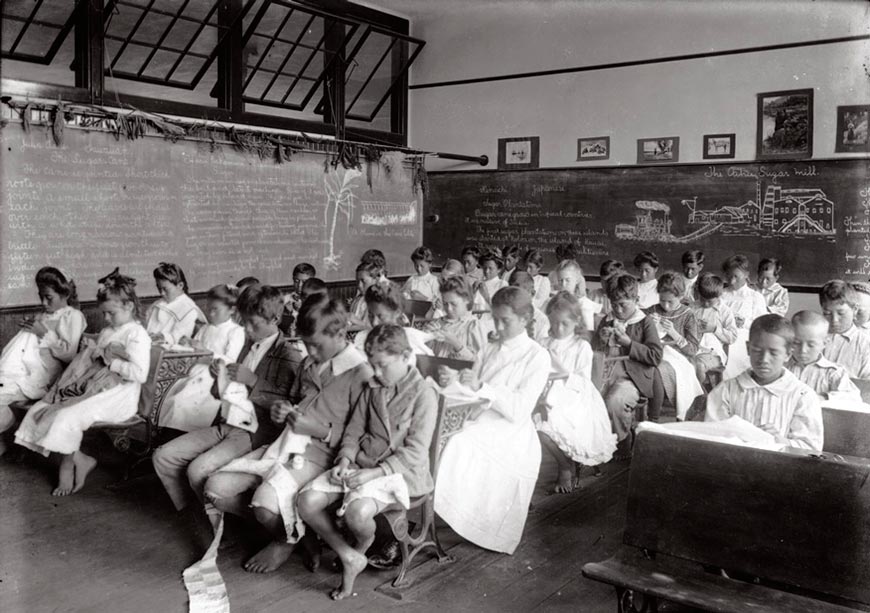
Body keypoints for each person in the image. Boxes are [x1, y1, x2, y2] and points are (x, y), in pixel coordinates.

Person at [202, 295, 373, 574]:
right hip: (286, 445)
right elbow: (295, 401)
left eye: (316, 345)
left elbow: (364, 435)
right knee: (215, 489)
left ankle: (286, 539)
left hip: (327, 456)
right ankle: (302, 535)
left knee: (264, 505)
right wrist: (283, 410)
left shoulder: (361, 372)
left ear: (341, 334)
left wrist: (317, 430)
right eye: (306, 344)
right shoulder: (308, 363)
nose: (311, 352)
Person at [297, 323, 437, 600]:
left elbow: (416, 452)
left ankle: (362, 545)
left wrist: (374, 474)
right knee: (306, 501)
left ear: (406, 355)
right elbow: (354, 430)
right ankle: (349, 554)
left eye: (382, 365)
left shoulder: (423, 394)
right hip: (363, 465)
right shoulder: (374, 386)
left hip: (401, 473)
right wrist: (344, 459)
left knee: (357, 513)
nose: (376, 372)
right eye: (372, 365)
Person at [151, 284, 297, 514]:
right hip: (228, 420)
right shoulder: (246, 344)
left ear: (276, 319)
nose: (247, 329)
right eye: (244, 322)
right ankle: (197, 513)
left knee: (198, 470)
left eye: (254, 324)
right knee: (163, 456)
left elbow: (288, 405)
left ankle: (221, 523)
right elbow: (225, 393)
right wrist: (219, 378)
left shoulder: (288, 354)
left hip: (256, 431)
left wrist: (253, 381)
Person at [15, 270, 151, 495]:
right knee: (45, 406)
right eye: (104, 314)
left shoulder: (136, 334)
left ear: (128, 306)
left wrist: (111, 362)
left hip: (119, 395)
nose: (106, 319)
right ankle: (81, 459)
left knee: (68, 415)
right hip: (96, 385)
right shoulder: (109, 330)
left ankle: (67, 467)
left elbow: (139, 374)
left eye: (111, 313)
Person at [435, 287, 550, 554]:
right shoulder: (488, 348)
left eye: (505, 321)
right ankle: (427, 511)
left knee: (459, 441)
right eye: (495, 319)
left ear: (525, 320)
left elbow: (520, 409)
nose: (497, 326)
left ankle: (448, 514)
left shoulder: (537, 356)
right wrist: (455, 380)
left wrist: (482, 386)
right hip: (478, 416)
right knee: (432, 434)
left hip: (510, 430)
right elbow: (471, 390)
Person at [0, 267, 86, 456]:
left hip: (49, 377)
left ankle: (6, 432)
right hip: (28, 369)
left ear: (64, 293)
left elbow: (70, 356)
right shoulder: (43, 315)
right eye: (41, 296)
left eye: (49, 297)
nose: (43, 302)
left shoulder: (73, 316)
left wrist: (44, 334)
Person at [705, 314, 823, 451]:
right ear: (748, 348)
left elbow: (811, 449)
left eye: (773, 353)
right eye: (757, 351)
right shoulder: (725, 390)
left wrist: (780, 441)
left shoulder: (803, 396)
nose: (764, 359)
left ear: (788, 354)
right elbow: (711, 439)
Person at [536, 292, 615, 493]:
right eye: (553, 323)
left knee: (547, 422)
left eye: (564, 324)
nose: (558, 329)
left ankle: (565, 466)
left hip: (573, 396)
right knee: (529, 420)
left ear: (576, 321)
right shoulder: (543, 343)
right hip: (543, 391)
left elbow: (582, 382)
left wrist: (563, 374)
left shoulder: (581, 347)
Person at [159, 284, 246, 432]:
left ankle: (179, 433)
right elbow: (194, 349)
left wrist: (205, 351)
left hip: (214, 377)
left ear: (232, 310)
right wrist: (187, 343)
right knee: (169, 397)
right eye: (208, 308)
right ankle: (163, 431)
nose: (210, 313)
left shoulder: (235, 331)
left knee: (183, 401)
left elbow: (230, 361)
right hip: (195, 372)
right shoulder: (206, 328)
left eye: (215, 309)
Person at [591, 273, 663, 453]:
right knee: (589, 400)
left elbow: (655, 356)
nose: (618, 310)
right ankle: (597, 443)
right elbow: (594, 352)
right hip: (605, 373)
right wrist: (600, 339)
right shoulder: (607, 319)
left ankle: (623, 440)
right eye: (614, 304)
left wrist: (629, 344)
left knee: (615, 401)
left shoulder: (644, 321)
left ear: (636, 299)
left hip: (632, 377)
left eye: (623, 304)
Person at [645, 272, 702, 420]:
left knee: (656, 369)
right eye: (662, 300)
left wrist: (673, 333)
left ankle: (654, 417)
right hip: (654, 353)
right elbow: (638, 338)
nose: (665, 305)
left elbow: (693, 350)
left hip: (679, 358)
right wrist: (647, 324)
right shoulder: (651, 310)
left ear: (681, 296)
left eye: (670, 301)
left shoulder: (688, 315)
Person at [788, 311, 862, 405]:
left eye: (811, 345)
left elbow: (853, 397)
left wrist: (823, 398)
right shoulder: (781, 367)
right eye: (796, 343)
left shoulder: (833, 373)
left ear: (824, 343)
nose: (803, 350)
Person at [353, 282, 433, 357]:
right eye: (370, 315)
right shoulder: (361, 338)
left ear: (397, 313)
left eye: (381, 317)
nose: (374, 323)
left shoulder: (411, 339)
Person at [720, 255, 767, 379]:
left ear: (746, 274)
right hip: (722, 334)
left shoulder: (755, 297)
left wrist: (744, 323)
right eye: (729, 276)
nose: (731, 281)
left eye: (736, 276)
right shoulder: (722, 295)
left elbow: (762, 326)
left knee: (736, 347)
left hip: (744, 336)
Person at [424, 276, 488, 360]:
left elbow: (482, 362)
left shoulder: (473, 326)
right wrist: (426, 337)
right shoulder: (438, 322)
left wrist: (456, 343)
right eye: (445, 303)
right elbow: (424, 356)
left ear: (467, 300)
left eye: (454, 304)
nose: (449, 309)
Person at [692, 273, 739, 385]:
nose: (706, 304)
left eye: (710, 301)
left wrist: (714, 329)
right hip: (692, 348)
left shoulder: (724, 311)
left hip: (713, 354)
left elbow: (732, 337)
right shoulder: (693, 307)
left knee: (698, 365)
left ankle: (700, 396)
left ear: (719, 296)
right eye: (703, 299)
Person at [820, 280, 870, 379]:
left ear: (855, 310)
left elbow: (867, 386)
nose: (834, 320)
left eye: (841, 313)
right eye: (827, 313)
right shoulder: (815, 336)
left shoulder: (866, 345)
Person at [145, 262, 205, 345]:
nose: (161, 293)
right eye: (159, 288)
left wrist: (162, 337)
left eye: (165, 289)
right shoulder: (159, 303)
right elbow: (146, 323)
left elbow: (180, 339)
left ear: (180, 285)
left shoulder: (188, 309)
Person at [551, 259, 600, 332]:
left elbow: (588, 332)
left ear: (576, 280)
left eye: (568, 280)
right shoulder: (552, 301)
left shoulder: (584, 305)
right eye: (560, 280)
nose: (563, 284)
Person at [509, 271, 550, 342]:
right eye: (511, 290)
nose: (514, 295)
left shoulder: (541, 320)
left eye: (519, 291)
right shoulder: (504, 314)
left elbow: (541, 348)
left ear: (532, 293)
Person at [349, 261, 379, 329]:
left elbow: (374, 327)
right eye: (357, 281)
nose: (359, 285)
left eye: (363, 281)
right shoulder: (358, 299)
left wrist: (354, 320)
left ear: (375, 280)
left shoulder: (378, 301)